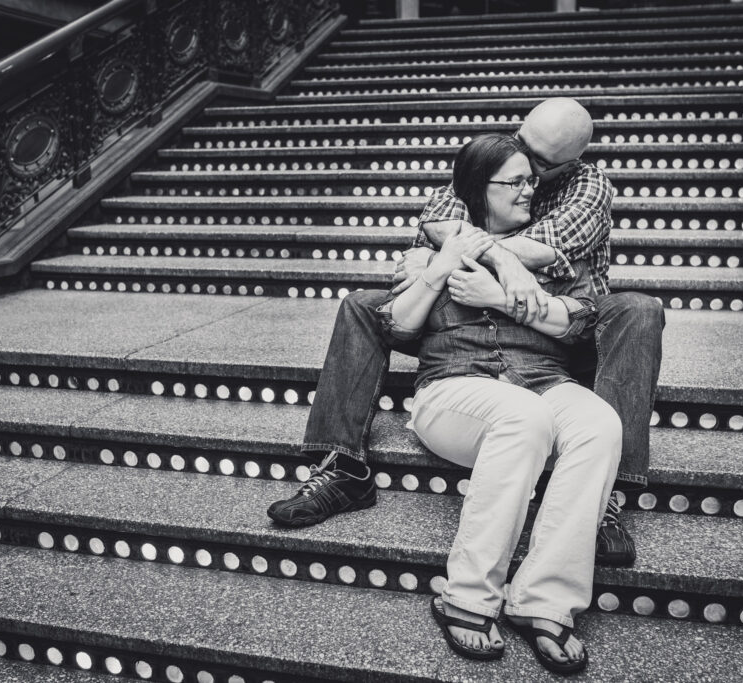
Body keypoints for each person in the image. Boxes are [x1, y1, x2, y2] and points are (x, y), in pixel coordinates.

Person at [267, 98, 664, 569]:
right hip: (460, 320)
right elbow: (435, 220)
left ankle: (607, 498)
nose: (527, 171)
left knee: (640, 311)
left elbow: (551, 247)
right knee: (361, 305)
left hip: (561, 325)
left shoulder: (588, 185)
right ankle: (344, 467)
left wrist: (475, 257)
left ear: (569, 163)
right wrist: (490, 261)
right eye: (522, 147)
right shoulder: (499, 161)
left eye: (538, 165)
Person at [381, 133, 617, 672]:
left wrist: (504, 299)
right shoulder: (429, 247)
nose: (529, 191)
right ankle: (466, 595)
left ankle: (544, 600)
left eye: (531, 181)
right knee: (522, 416)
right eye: (514, 182)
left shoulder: (554, 253)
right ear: (476, 189)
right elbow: (398, 325)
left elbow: (579, 323)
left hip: (540, 379)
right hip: (454, 391)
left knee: (599, 423)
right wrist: (444, 265)